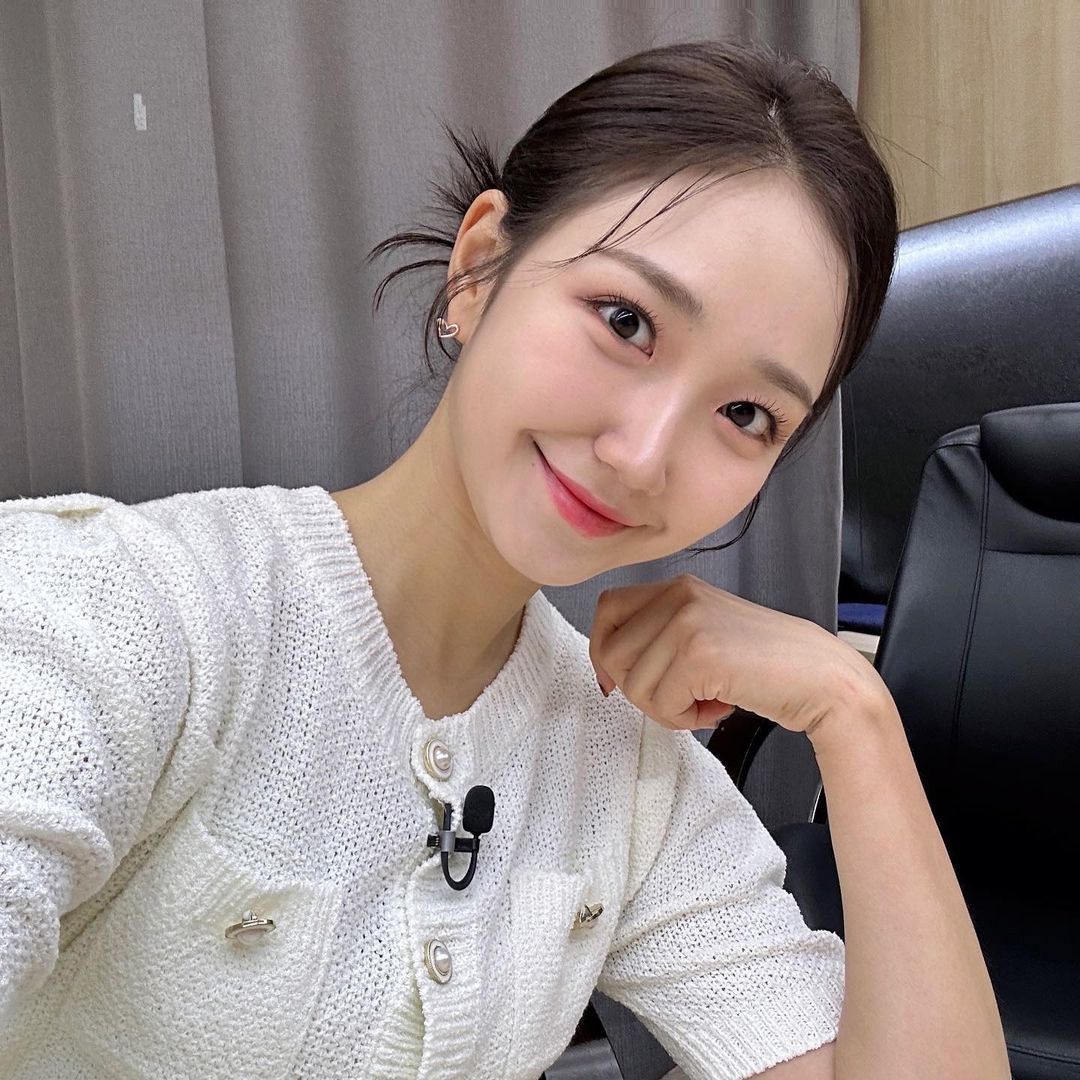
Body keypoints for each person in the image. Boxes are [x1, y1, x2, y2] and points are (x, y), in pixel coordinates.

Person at [0, 37, 1010, 1080]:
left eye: (747, 414)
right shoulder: (121, 611)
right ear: (480, 268)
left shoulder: (624, 767)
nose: (642, 456)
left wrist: (855, 710)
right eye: (625, 320)